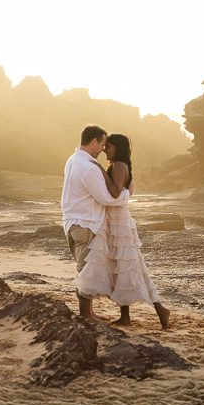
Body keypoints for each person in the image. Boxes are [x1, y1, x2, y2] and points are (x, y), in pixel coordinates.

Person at [79, 133, 171, 329]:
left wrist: (100, 170)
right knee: (120, 269)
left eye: (109, 147)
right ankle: (126, 317)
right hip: (114, 220)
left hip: (119, 222)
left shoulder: (120, 166)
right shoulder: (119, 165)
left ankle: (160, 309)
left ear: (118, 148)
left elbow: (114, 191)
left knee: (132, 268)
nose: (105, 150)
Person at [61, 125, 130, 321]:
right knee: (86, 269)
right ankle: (85, 315)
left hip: (73, 222)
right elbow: (107, 198)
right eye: (102, 144)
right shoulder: (89, 167)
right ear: (93, 142)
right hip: (86, 223)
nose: (103, 148)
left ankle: (88, 312)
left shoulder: (73, 160)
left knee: (85, 267)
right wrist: (127, 194)